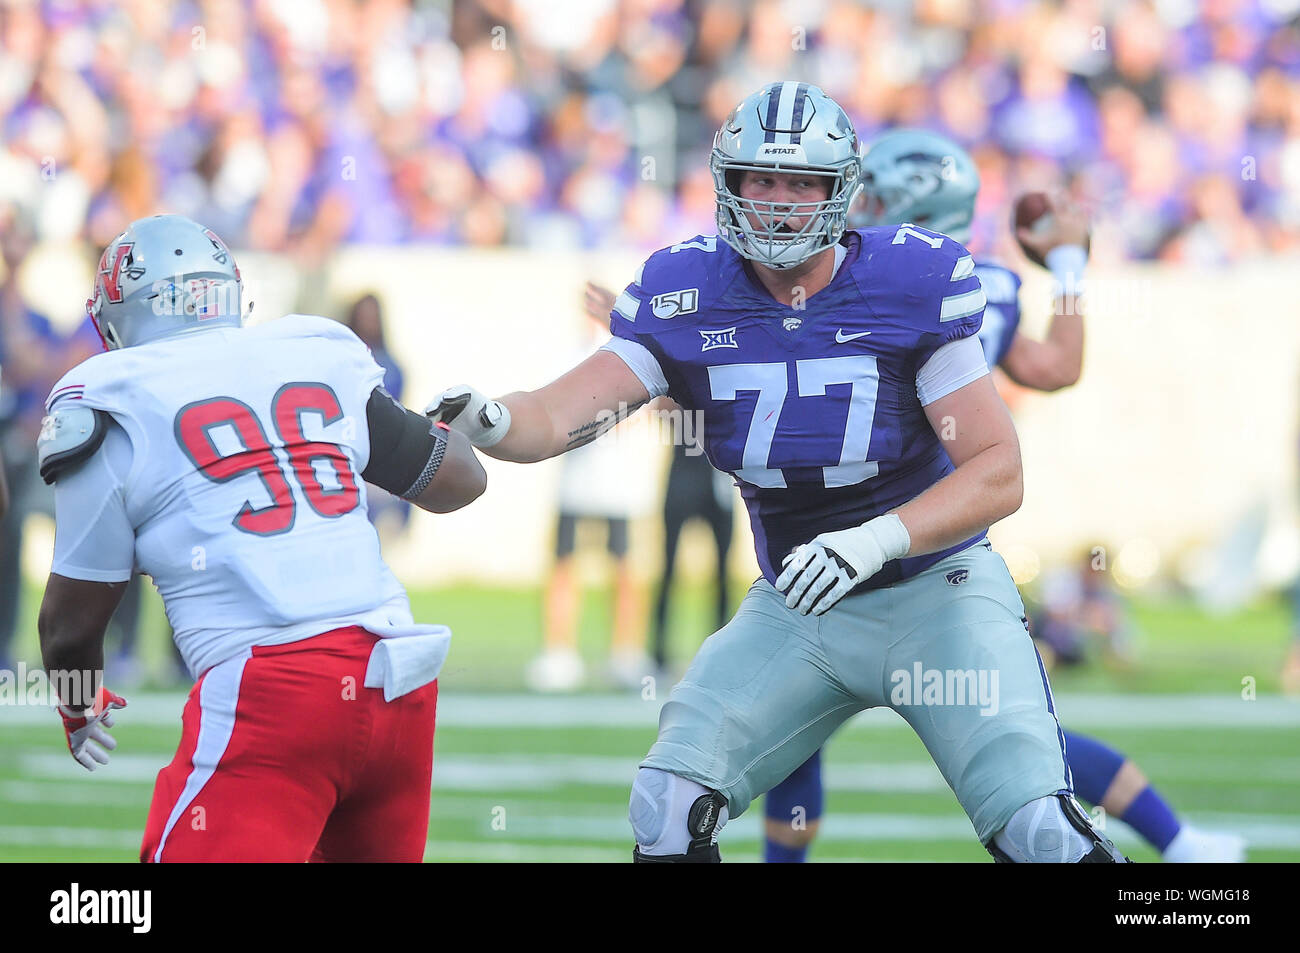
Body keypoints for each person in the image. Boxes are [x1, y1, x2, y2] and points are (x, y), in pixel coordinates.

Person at [430, 83, 1125, 862]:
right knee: (666, 806)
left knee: (1040, 832)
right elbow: (555, 416)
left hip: (939, 592)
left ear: (840, 193)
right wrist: (488, 418)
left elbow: (998, 469)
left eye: (802, 184)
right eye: (760, 179)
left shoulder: (908, 281)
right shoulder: (685, 291)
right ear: (728, 182)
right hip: (800, 603)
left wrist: (873, 539)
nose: (777, 202)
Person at [761, 127, 1243, 864]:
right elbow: (1054, 367)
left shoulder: (865, 284)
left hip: (875, 533)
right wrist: (1072, 266)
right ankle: (1180, 842)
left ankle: (1178, 844)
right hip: (940, 534)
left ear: (912, 202)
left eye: (876, 195)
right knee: (1004, 727)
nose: (856, 208)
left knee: (804, 724)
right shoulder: (992, 282)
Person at [37, 214, 486, 862]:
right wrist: (469, 421)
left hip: (275, 691)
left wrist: (77, 704)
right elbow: (459, 482)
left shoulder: (110, 394)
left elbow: (71, 623)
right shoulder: (314, 349)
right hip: (399, 686)